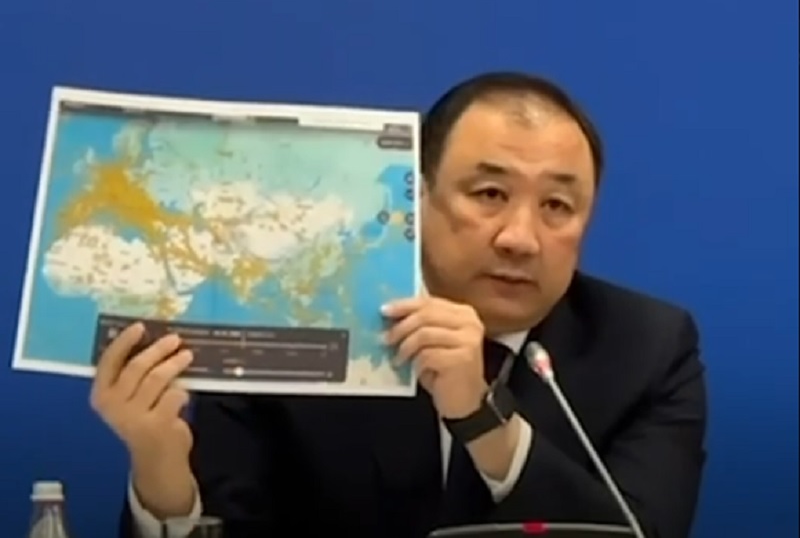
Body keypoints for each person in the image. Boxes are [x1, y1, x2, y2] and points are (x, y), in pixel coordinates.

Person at [91, 72, 708, 538]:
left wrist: (483, 420)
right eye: (489, 194)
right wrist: (163, 475)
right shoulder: (295, 332)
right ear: (418, 197)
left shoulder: (648, 349)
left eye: (557, 206)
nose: (520, 238)